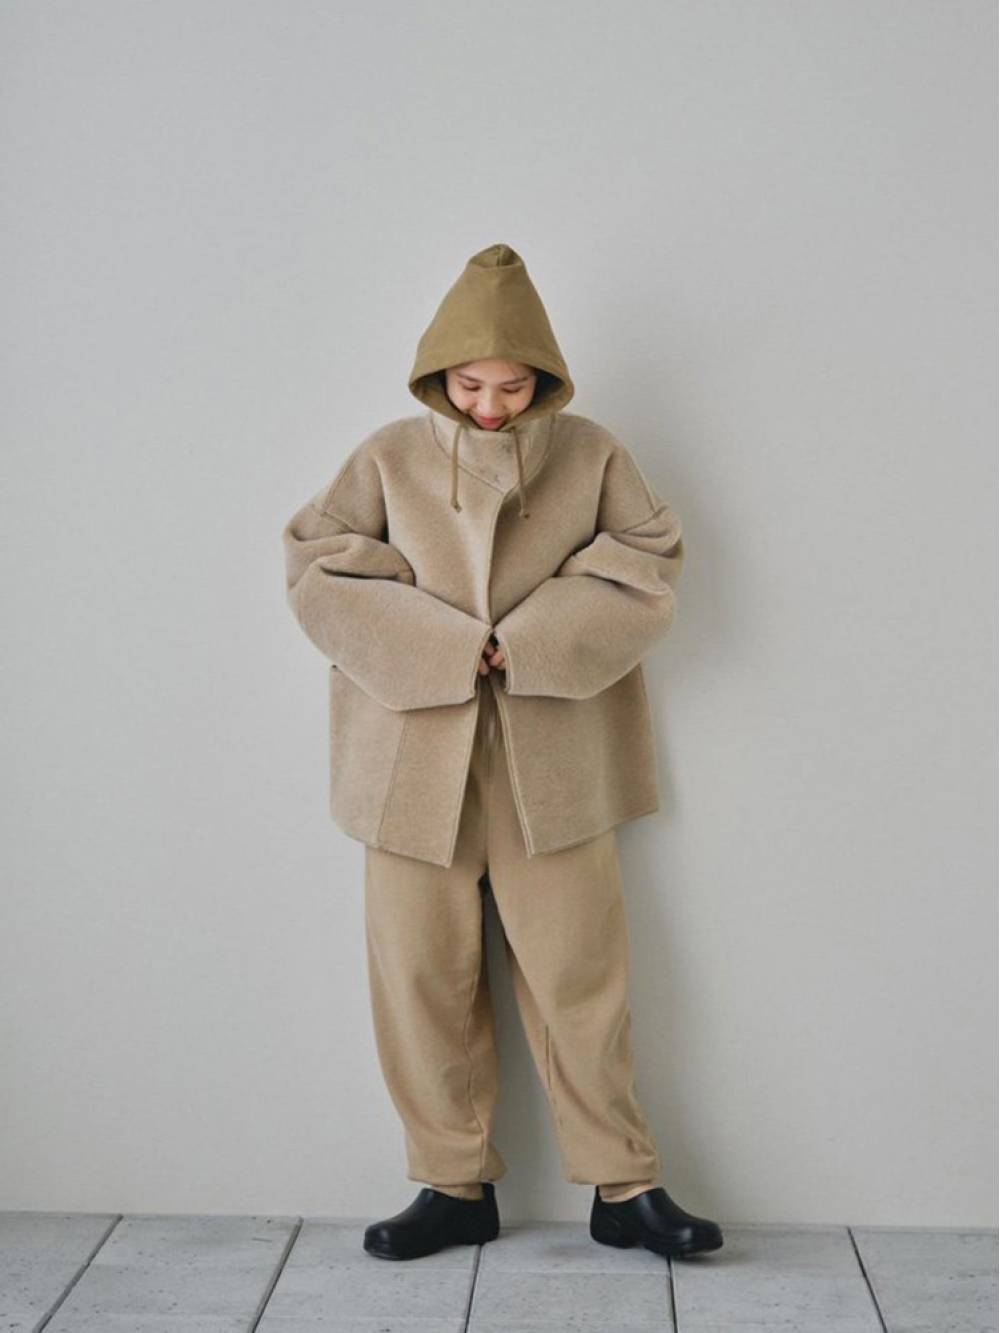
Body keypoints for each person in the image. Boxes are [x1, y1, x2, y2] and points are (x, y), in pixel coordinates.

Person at [281, 242, 723, 1262]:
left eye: (512, 385)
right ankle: (451, 1183)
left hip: (555, 754)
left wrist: (524, 640)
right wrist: (448, 644)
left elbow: (649, 559)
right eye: (471, 384)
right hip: (408, 757)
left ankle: (624, 1184)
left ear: (545, 376)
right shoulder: (387, 455)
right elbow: (317, 566)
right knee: (419, 977)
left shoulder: (593, 454)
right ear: (438, 372)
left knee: (581, 975)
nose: (488, 405)